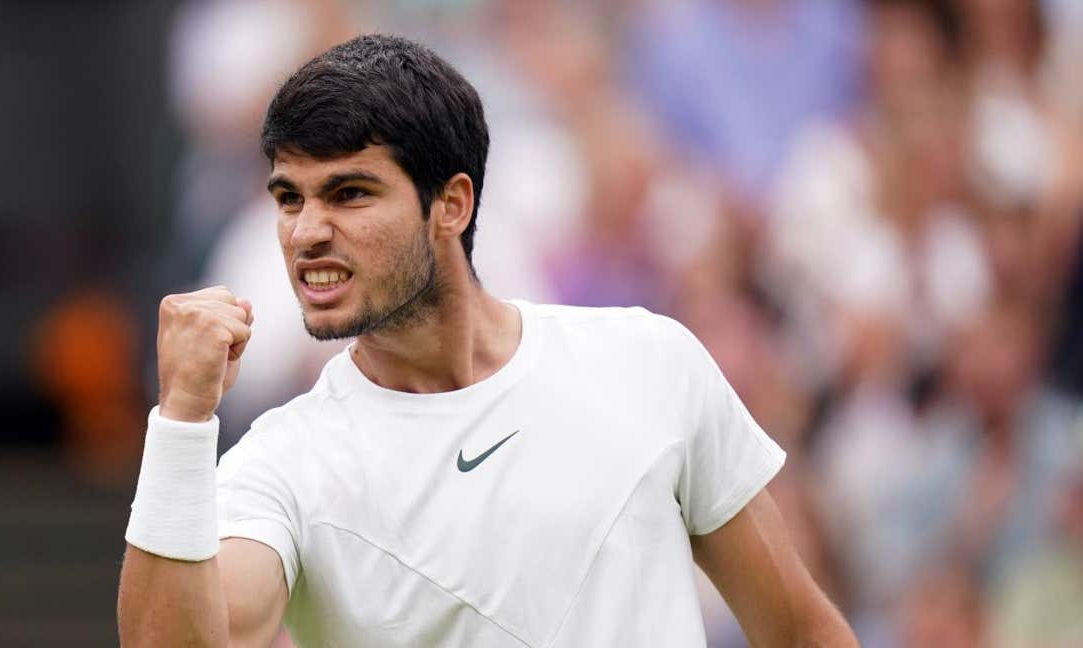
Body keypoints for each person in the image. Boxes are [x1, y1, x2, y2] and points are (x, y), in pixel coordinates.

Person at [117, 34, 859, 647]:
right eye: (290, 198)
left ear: (452, 204)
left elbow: (800, 631)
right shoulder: (283, 466)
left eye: (349, 193)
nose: (307, 231)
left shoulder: (650, 361)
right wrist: (181, 420)